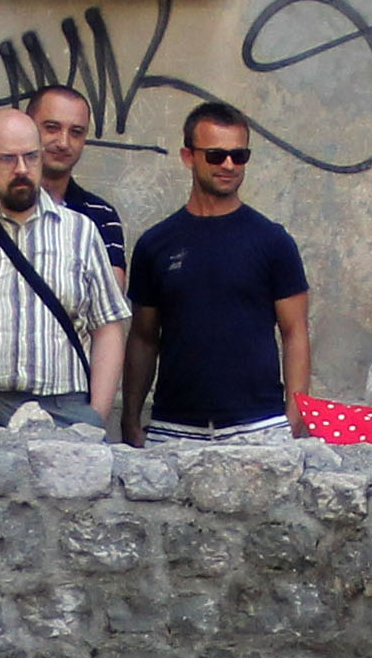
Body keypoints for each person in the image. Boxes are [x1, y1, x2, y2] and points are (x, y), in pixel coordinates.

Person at [0, 103, 126, 429]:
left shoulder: (81, 232)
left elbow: (108, 326)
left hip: (66, 410)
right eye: (7, 158)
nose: (21, 169)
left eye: (31, 157)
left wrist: (97, 415)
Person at [125, 103, 309, 444]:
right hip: (173, 429)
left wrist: (292, 420)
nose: (228, 165)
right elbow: (143, 337)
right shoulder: (155, 244)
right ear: (187, 156)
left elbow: (295, 332)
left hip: (259, 428)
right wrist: (131, 419)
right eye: (216, 155)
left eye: (239, 156)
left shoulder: (273, 241)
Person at [30, 82, 128, 273]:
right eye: (52, 128)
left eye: (76, 132)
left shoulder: (101, 215)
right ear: (27, 127)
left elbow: (110, 296)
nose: (63, 143)